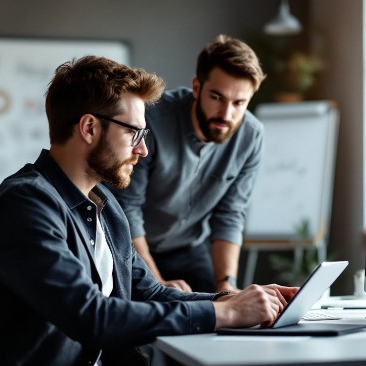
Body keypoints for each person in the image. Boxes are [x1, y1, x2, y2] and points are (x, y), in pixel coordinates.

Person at [0, 55, 297, 366]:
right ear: (89, 127)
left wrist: (233, 300)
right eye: (135, 133)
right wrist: (226, 315)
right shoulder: (25, 205)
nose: (142, 150)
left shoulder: (105, 206)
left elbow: (150, 294)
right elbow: (92, 317)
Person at [111, 34, 266, 295]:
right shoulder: (152, 121)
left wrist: (226, 284)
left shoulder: (251, 135)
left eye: (239, 103)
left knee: (223, 307)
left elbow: (230, 214)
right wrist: (157, 285)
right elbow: (128, 209)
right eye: (217, 97)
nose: (226, 114)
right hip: (131, 245)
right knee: (147, 316)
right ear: (197, 88)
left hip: (189, 248)